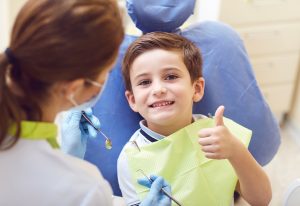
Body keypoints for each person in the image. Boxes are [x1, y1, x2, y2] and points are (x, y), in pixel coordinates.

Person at [0, 0, 172, 205]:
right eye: (107, 72)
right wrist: (67, 167)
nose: (159, 90)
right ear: (74, 88)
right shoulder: (86, 189)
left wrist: (66, 159)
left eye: (170, 77)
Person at [117, 32, 272, 205]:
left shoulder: (220, 135)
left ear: (197, 89)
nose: (158, 89)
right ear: (132, 100)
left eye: (170, 77)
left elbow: (261, 200)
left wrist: (236, 151)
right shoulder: (130, 159)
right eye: (145, 82)